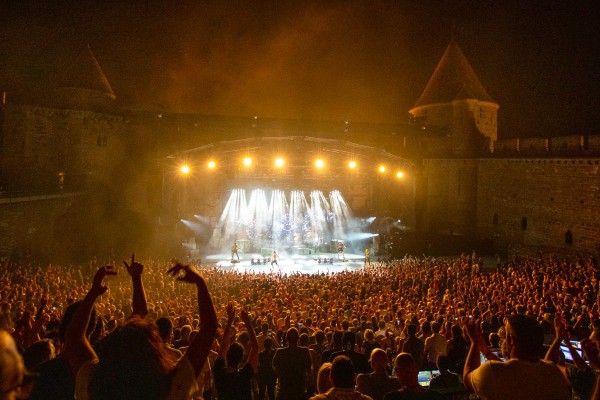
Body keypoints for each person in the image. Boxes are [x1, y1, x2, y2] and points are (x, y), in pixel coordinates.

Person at [75, 258, 218, 400]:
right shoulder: (172, 388)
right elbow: (209, 327)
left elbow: (75, 337)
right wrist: (201, 283)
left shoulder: (91, 385)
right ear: (152, 350)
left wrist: (93, 292)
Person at [463, 315, 570, 400]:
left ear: (511, 340)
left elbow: (468, 379)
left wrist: (474, 342)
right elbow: (518, 370)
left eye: (505, 334)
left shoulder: (492, 371)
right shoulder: (554, 372)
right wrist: (487, 353)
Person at [213, 304, 258, 400]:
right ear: (242, 358)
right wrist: (248, 323)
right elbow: (255, 347)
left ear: (227, 355)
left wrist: (230, 320)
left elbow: (224, 345)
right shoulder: (245, 375)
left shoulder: (219, 371)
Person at [273, 327, 312, 400]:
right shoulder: (305, 351)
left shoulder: (280, 352)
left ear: (286, 339)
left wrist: (281, 375)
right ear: (298, 338)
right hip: (300, 390)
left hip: (284, 390)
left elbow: (274, 368)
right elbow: (309, 370)